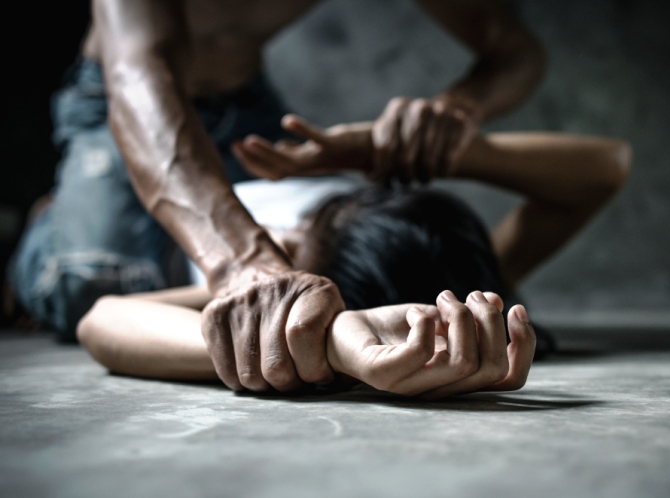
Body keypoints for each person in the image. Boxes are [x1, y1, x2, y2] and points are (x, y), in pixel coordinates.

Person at [10, 0, 547, 392]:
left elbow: (513, 49)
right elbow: (137, 69)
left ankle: (58, 226)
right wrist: (245, 264)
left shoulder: (389, 272)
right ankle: (52, 222)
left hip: (244, 98)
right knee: (83, 271)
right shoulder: (354, 226)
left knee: (87, 281)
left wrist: (459, 109)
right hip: (128, 90)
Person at [77, 119, 631, 397]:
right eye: (308, 224)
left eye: (293, 257)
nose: (272, 246)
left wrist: (323, 339)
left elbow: (102, 318)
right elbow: (607, 167)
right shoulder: (454, 269)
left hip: (133, 235)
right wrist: (398, 149)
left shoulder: (303, 305)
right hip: (239, 149)